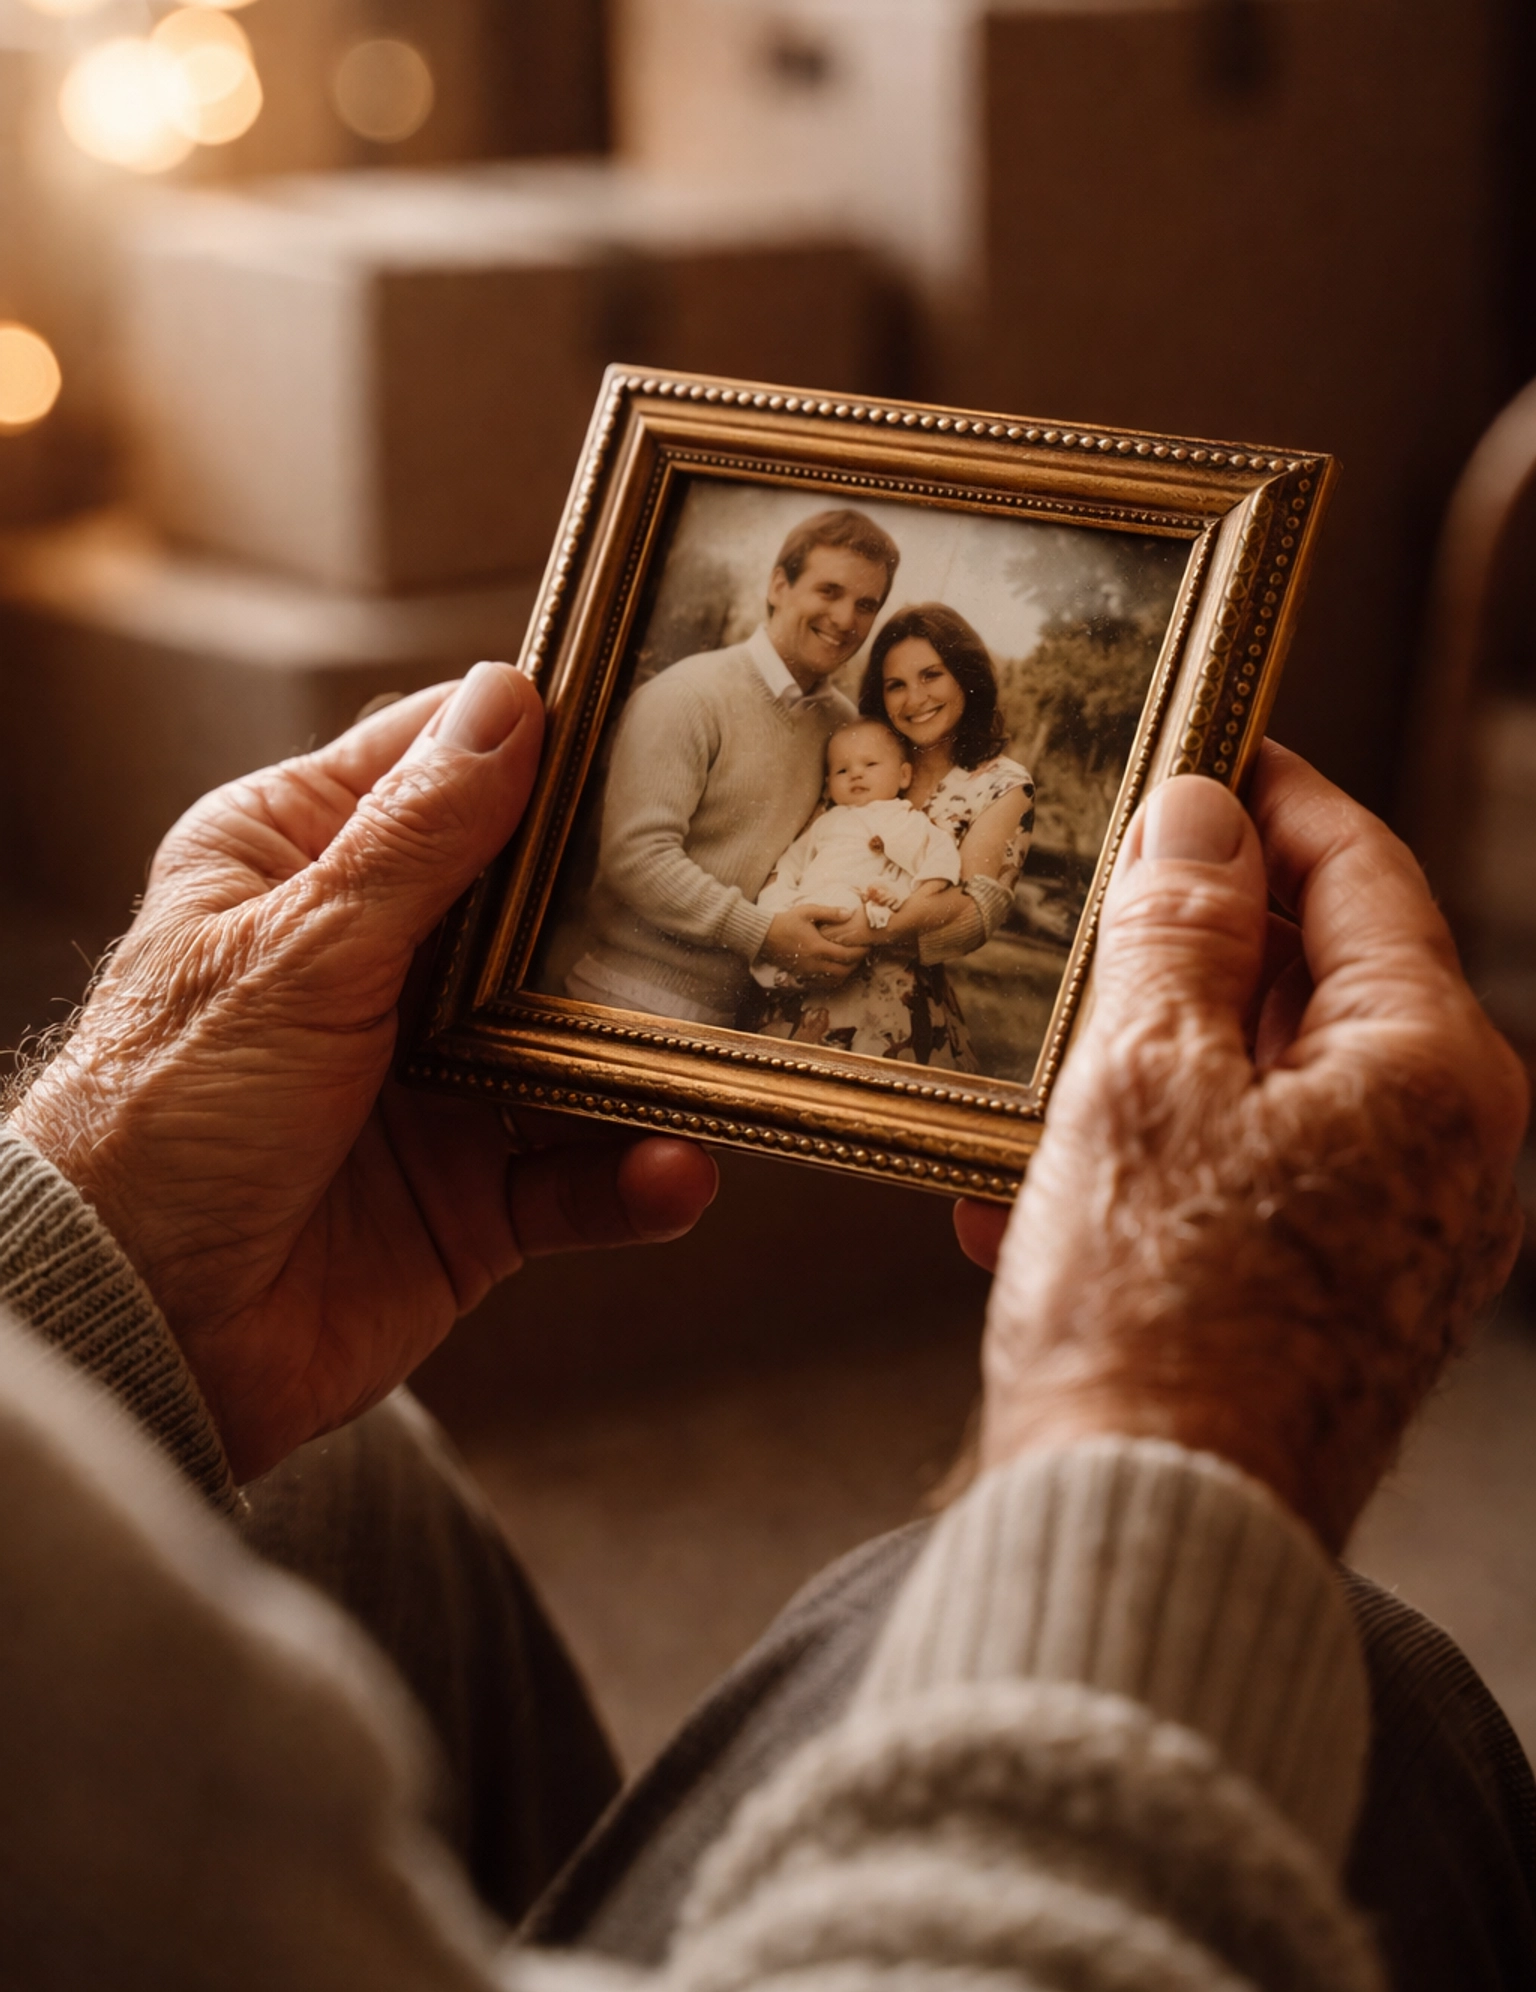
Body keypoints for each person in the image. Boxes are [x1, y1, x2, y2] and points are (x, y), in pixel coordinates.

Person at [0, 657, 1530, 1991]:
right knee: (1356, 1700)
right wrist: (1193, 1414)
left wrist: (96, 1251)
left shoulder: (951, 787)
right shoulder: (773, 756)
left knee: (337, 1475)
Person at [564, 508, 899, 1028]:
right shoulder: (687, 695)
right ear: (778, 585)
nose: (845, 619)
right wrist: (762, 932)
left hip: (747, 1025)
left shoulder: (847, 732)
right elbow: (637, 858)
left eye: (865, 604)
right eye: (828, 591)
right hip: (625, 1004)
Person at [759, 603, 1034, 1067]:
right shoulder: (861, 757)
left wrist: (867, 930)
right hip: (800, 988)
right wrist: (784, 928)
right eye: (896, 685)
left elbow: (973, 913)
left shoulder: (1002, 784)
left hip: (901, 1018)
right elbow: (798, 855)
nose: (915, 698)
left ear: (965, 674)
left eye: (932, 675)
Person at [749, 718, 961, 990]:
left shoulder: (906, 818)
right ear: (829, 784)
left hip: (855, 902)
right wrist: (777, 902)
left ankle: (811, 970)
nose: (856, 774)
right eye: (841, 770)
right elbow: (791, 863)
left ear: (903, 775)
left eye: (870, 764)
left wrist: (918, 893)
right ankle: (780, 973)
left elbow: (941, 855)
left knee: (845, 909)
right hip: (809, 899)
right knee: (780, 912)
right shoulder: (826, 821)